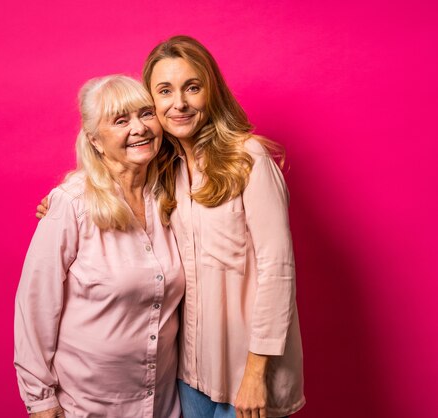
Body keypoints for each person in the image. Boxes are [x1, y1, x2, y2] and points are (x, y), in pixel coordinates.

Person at [37, 36, 305, 418]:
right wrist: (62, 201)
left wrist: (255, 373)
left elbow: (277, 272)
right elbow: (112, 171)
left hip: (246, 378)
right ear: (153, 103)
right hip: (188, 378)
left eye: (191, 88)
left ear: (210, 91)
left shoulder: (250, 161)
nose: (178, 103)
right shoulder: (165, 172)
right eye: (164, 91)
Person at [14, 75, 185, 418]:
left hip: (162, 404)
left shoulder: (173, 193)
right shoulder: (72, 204)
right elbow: (35, 305)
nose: (139, 128)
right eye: (120, 121)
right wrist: (40, 400)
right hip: (87, 406)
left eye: (146, 114)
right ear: (95, 140)